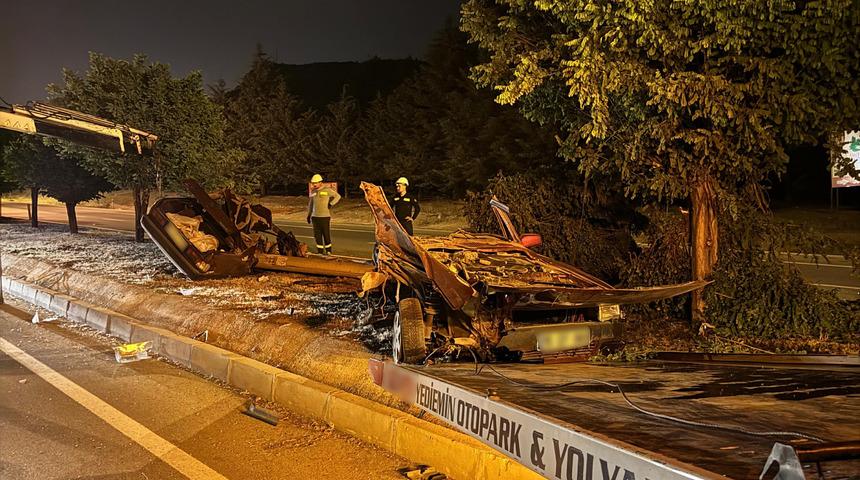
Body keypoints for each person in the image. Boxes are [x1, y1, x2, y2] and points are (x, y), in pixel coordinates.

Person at [306, 173, 340, 254]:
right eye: (313, 183)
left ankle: (328, 251)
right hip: (315, 217)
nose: (314, 184)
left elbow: (337, 196)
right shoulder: (313, 192)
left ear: (320, 182)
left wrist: (331, 204)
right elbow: (311, 204)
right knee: (317, 235)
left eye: (315, 183)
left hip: (324, 217)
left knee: (326, 234)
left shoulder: (327, 190)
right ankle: (320, 251)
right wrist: (309, 215)